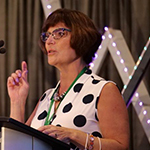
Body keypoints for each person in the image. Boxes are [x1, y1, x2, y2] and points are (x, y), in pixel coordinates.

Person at [7, 8, 129, 150]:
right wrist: (17, 101)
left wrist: (73, 135)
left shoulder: (103, 90)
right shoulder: (47, 97)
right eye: (47, 36)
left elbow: (121, 146)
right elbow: (16, 145)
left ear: (81, 36)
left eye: (59, 34)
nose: (49, 41)